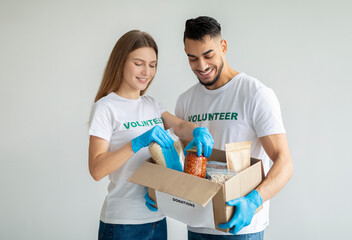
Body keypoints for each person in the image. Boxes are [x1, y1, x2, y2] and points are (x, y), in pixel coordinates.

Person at [175, 16, 293, 239]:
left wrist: (253, 200)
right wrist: (165, 192)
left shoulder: (255, 94)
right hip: (197, 227)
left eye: (208, 55)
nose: (201, 66)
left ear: (223, 46)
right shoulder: (185, 101)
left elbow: (284, 162)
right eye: (192, 58)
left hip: (241, 229)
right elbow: (183, 162)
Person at [88, 30, 214, 240]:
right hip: (123, 225)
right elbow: (97, 170)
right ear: (121, 62)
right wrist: (136, 143)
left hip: (157, 219)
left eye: (152, 65)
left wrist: (198, 131)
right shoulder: (106, 108)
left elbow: (180, 126)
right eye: (139, 63)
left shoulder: (152, 105)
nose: (146, 72)